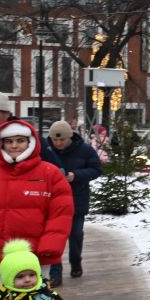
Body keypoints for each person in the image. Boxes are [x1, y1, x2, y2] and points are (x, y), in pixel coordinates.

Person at [0, 117, 73, 293]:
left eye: (20, 141)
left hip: (34, 255)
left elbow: (60, 214)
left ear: (30, 142)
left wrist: (50, 246)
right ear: (1, 143)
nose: (14, 146)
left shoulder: (50, 174)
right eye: (8, 141)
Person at [42, 120, 104, 284]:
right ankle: (55, 273)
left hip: (76, 199)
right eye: (55, 140)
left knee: (75, 234)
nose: (58, 143)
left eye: (62, 140)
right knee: (53, 237)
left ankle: (75, 261)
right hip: (51, 201)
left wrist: (75, 175)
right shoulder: (45, 150)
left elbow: (96, 169)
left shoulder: (84, 150)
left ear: (70, 137)